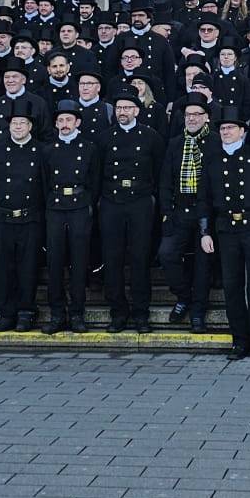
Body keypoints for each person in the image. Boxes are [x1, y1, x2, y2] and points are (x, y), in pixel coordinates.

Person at [200, 104, 250, 362]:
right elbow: (204, 199)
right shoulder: (211, 160)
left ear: (242, 131)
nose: (226, 132)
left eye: (231, 128)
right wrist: (205, 232)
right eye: (222, 128)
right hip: (226, 229)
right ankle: (239, 341)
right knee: (232, 285)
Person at [97, 90, 161, 333]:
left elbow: (158, 169)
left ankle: (141, 314)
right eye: (119, 108)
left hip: (140, 201)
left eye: (127, 108)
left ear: (137, 110)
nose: (122, 112)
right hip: (112, 201)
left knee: (139, 259)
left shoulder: (151, 136)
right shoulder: (104, 138)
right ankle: (118, 313)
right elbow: (97, 172)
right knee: (112, 259)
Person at [156, 93, 217, 331]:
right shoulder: (175, 142)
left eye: (196, 114)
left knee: (203, 265)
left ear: (207, 118)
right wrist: (166, 212)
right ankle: (183, 296)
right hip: (180, 209)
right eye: (188, 114)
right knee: (167, 254)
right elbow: (165, 181)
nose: (191, 118)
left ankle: (198, 312)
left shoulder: (214, 142)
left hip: (206, 212)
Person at [41, 100, 101, 333]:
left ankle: (77, 313)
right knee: (55, 262)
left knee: (78, 262)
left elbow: (93, 182)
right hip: (55, 207)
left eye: (69, 120)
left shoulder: (89, 148)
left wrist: (87, 205)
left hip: (79, 206)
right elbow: (44, 182)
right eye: (61, 120)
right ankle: (57, 314)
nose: (64, 125)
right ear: (55, 123)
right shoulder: (47, 149)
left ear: (78, 122)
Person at [0, 100, 47, 331]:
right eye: (14, 123)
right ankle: (6, 313)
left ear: (30, 126)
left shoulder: (41, 151)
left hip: (30, 217)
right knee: (3, 267)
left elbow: (44, 184)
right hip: (2, 218)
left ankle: (25, 312)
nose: (18, 126)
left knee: (28, 267)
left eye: (23, 123)